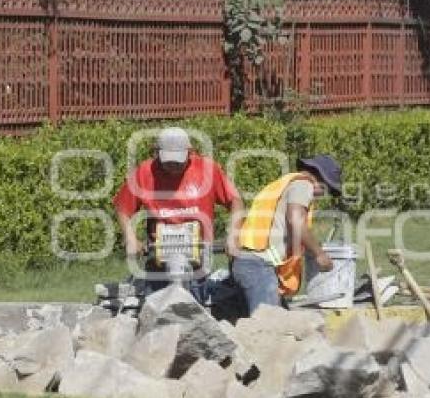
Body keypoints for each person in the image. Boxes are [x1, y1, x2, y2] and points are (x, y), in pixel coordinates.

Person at [113, 127, 244, 300]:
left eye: (178, 161)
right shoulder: (145, 173)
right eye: (168, 161)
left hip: (198, 254)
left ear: (190, 152)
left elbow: (235, 201)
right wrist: (130, 238)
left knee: (196, 305)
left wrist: (233, 236)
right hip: (160, 256)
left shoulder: (207, 170)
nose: (173, 166)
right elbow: (122, 207)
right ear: (156, 153)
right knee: (158, 309)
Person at [232, 155, 342, 314]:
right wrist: (319, 254)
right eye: (326, 189)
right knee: (269, 327)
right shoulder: (304, 185)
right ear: (319, 177)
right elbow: (295, 219)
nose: (322, 195)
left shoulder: (285, 183)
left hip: (250, 262)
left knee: (278, 322)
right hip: (258, 266)